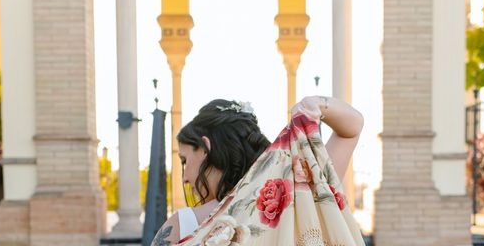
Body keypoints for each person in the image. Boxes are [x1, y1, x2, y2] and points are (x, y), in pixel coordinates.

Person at [151, 96, 364, 245]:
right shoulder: (300, 193)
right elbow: (353, 127)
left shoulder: (184, 224)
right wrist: (317, 104)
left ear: (206, 148)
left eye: (184, 161)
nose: (185, 178)